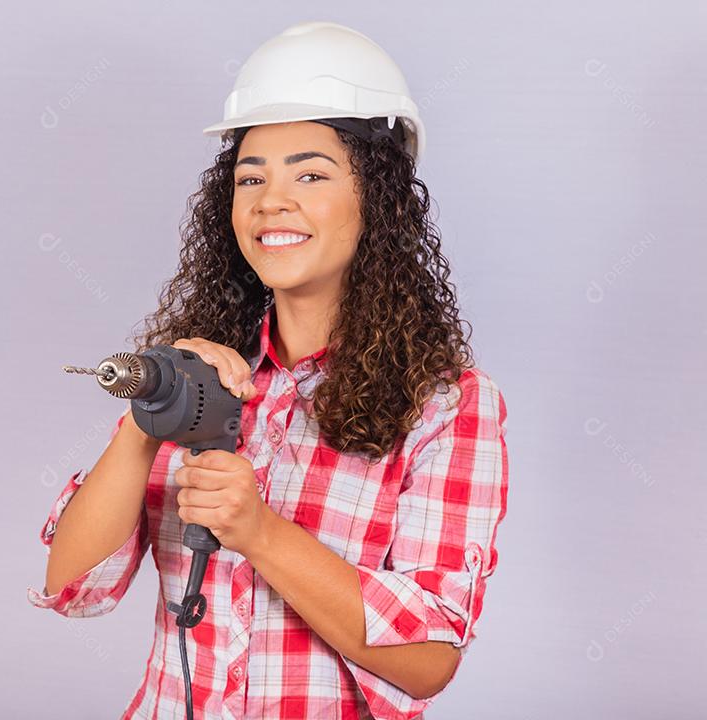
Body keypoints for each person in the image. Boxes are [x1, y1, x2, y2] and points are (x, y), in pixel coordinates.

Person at [27, 21, 508, 720]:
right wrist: (144, 425)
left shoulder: (447, 405)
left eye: (310, 174)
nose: (270, 201)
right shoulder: (198, 378)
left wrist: (258, 530)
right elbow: (75, 588)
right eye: (251, 178)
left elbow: (428, 660)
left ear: (378, 198)